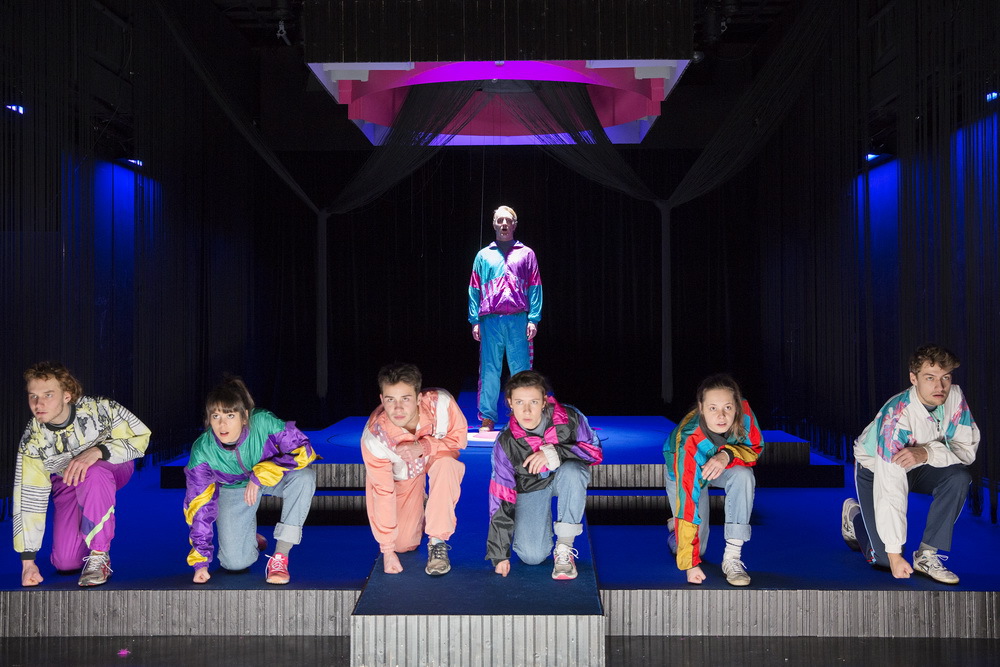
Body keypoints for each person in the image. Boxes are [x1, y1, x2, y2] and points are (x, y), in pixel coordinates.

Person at [841, 344, 979, 584]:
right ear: (914, 379)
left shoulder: (955, 398)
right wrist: (895, 555)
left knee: (958, 477)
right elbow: (891, 488)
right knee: (883, 559)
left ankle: (927, 555)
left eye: (945, 377)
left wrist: (926, 453)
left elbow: (966, 452)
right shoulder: (896, 418)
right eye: (930, 378)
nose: (940, 387)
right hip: (876, 470)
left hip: (921, 463)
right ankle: (854, 516)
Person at [14, 361, 151, 587]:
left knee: (93, 472)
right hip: (67, 478)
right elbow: (28, 496)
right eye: (33, 396)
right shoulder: (32, 440)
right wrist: (28, 563)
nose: (39, 404)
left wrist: (98, 451)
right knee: (66, 562)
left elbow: (141, 437)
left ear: (67, 396)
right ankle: (84, 536)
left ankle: (99, 554)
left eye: (48, 395)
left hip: (110, 467)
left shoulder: (100, 408)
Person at [184, 376, 317, 585]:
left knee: (304, 477)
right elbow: (198, 505)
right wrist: (200, 563)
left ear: (244, 416)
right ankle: (248, 537)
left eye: (230, 415)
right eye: (216, 416)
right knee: (234, 564)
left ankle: (280, 556)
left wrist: (261, 474)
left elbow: (303, 450)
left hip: (270, 477)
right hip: (233, 488)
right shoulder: (202, 451)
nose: (222, 424)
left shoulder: (263, 422)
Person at [487, 370, 603, 580]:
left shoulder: (569, 417)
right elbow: (501, 496)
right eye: (520, 402)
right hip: (531, 487)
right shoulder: (505, 442)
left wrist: (554, 453)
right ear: (510, 403)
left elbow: (594, 452)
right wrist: (500, 553)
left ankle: (564, 547)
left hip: (564, 477)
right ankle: (540, 534)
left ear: (543, 401)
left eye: (533, 402)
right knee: (532, 556)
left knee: (574, 471)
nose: (527, 410)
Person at [361, 363, 468, 576]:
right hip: (406, 474)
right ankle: (423, 502)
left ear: (418, 398)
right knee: (403, 545)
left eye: (405, 399)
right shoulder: (374, 438)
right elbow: (382, 492)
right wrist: (387, 550)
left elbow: (459, 440)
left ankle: (437, 541)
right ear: (382, 399)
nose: (398, 408)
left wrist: (424, 446)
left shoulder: (442, 403)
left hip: (437, 457)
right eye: (390, 400)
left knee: (447, 465)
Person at [663, 374, 764, 586]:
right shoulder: (688, 443)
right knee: (697, 549)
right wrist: (690, 565)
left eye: (728, 407)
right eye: (712, 408)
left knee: (744, 475)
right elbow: (688, 502)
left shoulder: (745, 415)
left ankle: (732, 558)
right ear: (701, 408)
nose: (721, 416)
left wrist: (727, 454)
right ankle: (675, 532)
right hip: (686, 472)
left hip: (722, 465)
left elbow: (754, 449)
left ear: (737, 407)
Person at [468, 205, 543, 432]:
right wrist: (475, 320)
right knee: (489, 370)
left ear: (514, 225)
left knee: (521, 370)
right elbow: (474, 289)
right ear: (493, 224)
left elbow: (535, 287)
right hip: (490, 320)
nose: (503, 224)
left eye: (508, 220)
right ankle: (488, 417)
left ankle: (521, 416)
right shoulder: (483, 255)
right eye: (499, 220)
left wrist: (533, 318)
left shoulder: (526, 254)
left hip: (518, 319)